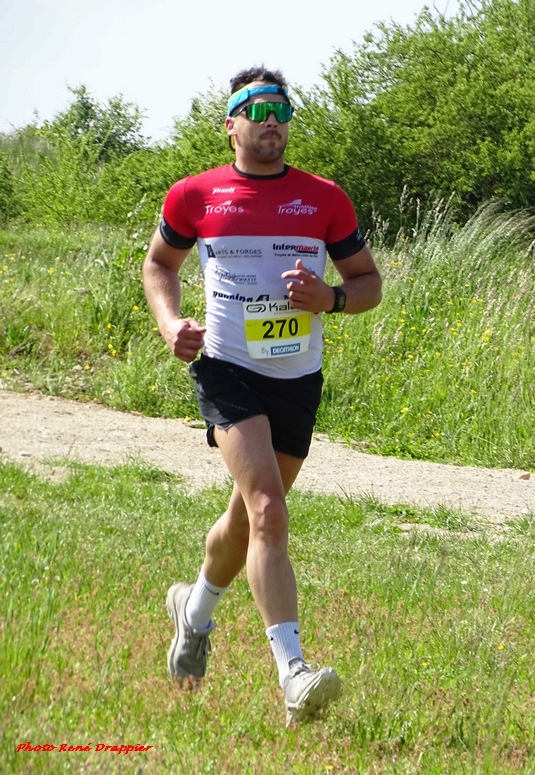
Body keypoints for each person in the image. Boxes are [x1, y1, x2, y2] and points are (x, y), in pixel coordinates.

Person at [143, 66, 382, 725]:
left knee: (247, 519)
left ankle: (192, 612)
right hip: (227, 370)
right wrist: (171, 323)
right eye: (256, 107)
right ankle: (294, 675)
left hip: (296, 377)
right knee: (269, 510)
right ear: (231, 125)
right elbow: (160, 263)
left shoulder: (324, 198)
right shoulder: (196, 195)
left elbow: (367, 283)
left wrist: (329, 297)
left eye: (281, 107)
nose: (271, 116)